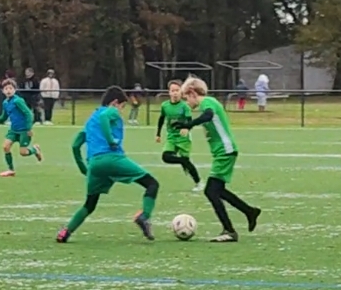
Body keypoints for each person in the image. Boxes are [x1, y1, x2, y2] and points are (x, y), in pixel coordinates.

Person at [56, 86, 159, 243]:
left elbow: (75, 145)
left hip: (94, 164)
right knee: (152, 184)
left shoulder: (91, 120)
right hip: (112, 159)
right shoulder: (110, 111)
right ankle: (144, 216)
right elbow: (106, 116)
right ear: (115, 103)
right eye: (122, 107)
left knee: (89, 204)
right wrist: (111, 141)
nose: (121, 111)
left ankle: (66, 232)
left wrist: (84, 169)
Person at [176, 76, 260, 242]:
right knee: (218, 190)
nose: (186, 102)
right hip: (223, 152)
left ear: (192, 92)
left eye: (186, 97)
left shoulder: (208, 102)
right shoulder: (207, 103)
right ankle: (249, 211)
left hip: (225, 151)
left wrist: (189, 124)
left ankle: (229, 231)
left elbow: (208, 116)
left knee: (211, 191)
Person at [155, 80, 202, 191]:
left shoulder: (184, 106)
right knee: (166, 157)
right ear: (169, 92)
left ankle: (199, 182)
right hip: (172, 137)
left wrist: (187, 127)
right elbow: (161, 119)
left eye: (177, 90)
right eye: (173, 90)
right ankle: (182, 161)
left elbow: (190, 121)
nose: (175, 93)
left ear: (181, 92)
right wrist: (158, 134)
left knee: (187, 162)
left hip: (183, 138)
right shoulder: (165, 106)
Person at [0, 77, 43, 176]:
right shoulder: (5, 103)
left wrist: (29, 128)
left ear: (14, 90)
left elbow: (29, 114)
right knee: (5, 147)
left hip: (24, 131)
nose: (8, 91)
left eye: (10, 88)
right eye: (6, 89)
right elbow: (4, 116)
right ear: (3, 91)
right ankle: (11, 170)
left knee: (23, 153)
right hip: (13, 130)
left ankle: (35, 150)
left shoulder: (18, 101)